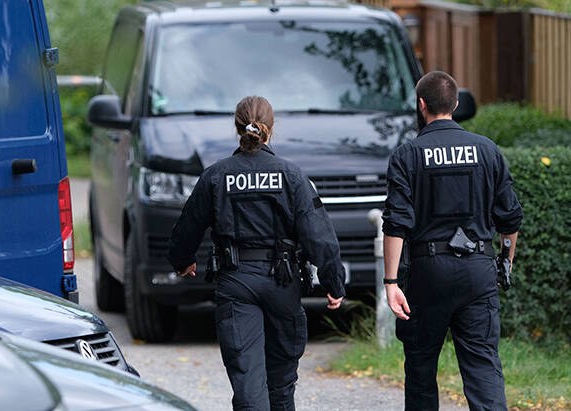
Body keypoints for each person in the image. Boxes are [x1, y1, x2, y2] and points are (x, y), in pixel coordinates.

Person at [167, 96, 346, 410]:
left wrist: (183, 261)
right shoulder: (291, 176)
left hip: (236, 283)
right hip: (282, 283)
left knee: (248, 381)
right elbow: (319, 235)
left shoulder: (216, 175)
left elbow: (187, 226)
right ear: (271, 128)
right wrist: (334, 283)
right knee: (281, 382)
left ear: (237, 127)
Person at [382, 71, 523, 410]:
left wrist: (391, 282)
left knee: (420, 368)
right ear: (456, 104)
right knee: (483, 367)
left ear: (421, 104)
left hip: (427, 273)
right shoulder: (487, 150)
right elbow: (510, 219)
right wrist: (504, 264)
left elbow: (396, 224)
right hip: (478, 270)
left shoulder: (408, 155)